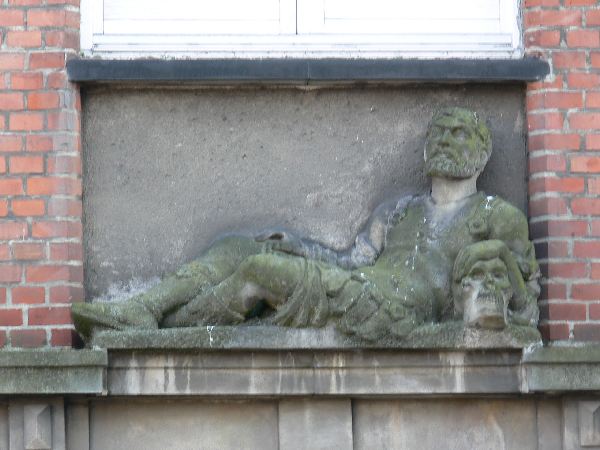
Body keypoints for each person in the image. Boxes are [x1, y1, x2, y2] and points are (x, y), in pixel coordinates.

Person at [72, 107, 540, 341]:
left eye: (459, 134)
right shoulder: (398, 211)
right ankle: (144, 308)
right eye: (438, 134)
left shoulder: (496, 216)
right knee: (239, 247)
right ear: (424, 150)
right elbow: (351, 260)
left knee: (260, 271)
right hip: (359, 288)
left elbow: (524, 298)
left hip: (394, 313)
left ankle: (161, 330)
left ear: (482, 151)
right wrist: (301, 246)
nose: (445, 141)